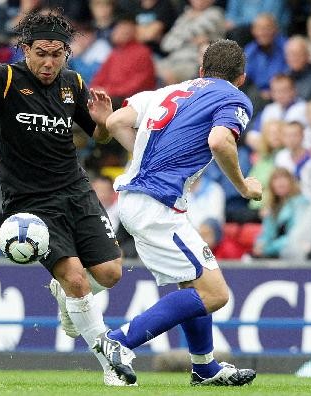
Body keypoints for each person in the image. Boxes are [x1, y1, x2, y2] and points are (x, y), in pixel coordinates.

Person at [0, 12, 132, 386]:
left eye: (57, 54)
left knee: (110, 273)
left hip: (76, 191)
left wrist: (100, 122)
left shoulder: (74, 83)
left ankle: (66, 296)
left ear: (66, 54)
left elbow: (99, 138)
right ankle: (110, 363)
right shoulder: (5, 78)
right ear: (26, 50)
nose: (49, 62)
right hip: (31, 205)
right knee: (77, 279)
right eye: (41, 53)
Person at [99, 39, 261, 386]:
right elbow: (220, 141)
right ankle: (120, 340)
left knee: (193, 284)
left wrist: (141, 159)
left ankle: (204, 367)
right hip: (157, 205)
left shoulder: (169, 91)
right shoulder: (233, 97)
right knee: (215, 294)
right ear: (242, 78)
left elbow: (115, 122)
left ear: (201, 71)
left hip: (137, 199)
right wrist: (244, 186)